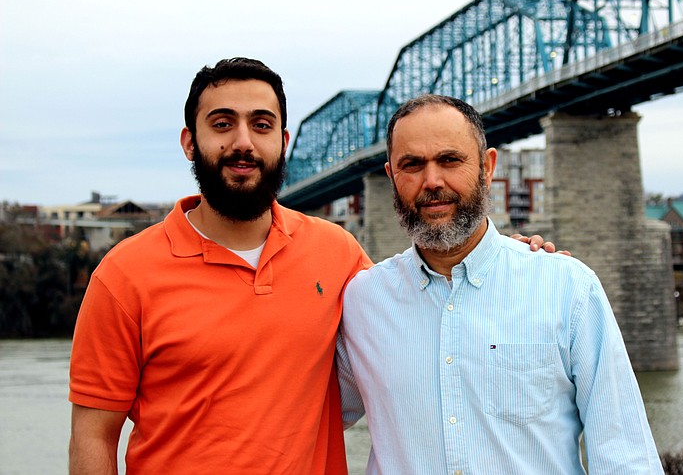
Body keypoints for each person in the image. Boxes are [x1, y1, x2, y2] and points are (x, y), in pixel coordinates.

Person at [68, 58, 554, 474]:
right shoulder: (124, 275)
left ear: (281, 140)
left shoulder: (336, 253)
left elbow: (427, 299)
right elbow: (94, 436)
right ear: (189, 142)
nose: (243, 142)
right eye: (222, 124)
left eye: (261, 125)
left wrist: (503, 257)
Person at [337, 94, 664, 474]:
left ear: (488, 167)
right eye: (412, 165)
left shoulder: (567, 288)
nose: (432, 181)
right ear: (392, 177)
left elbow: (625, 455)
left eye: (450, 160)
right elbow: (309, 418)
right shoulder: (362, 301)